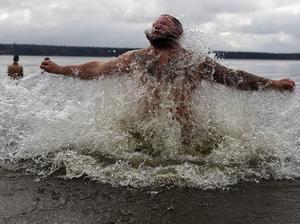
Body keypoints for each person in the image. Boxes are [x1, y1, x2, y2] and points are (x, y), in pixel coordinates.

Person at [40, 14, 295, 146]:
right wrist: (60, 68)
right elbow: (96, 69)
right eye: (155, 24)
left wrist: (273, 84)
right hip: (145, 133)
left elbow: (234, 78)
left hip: (184, 138)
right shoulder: (136, 58)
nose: (157, 25)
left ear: (178, 32)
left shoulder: (195, 61)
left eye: (164, 23)